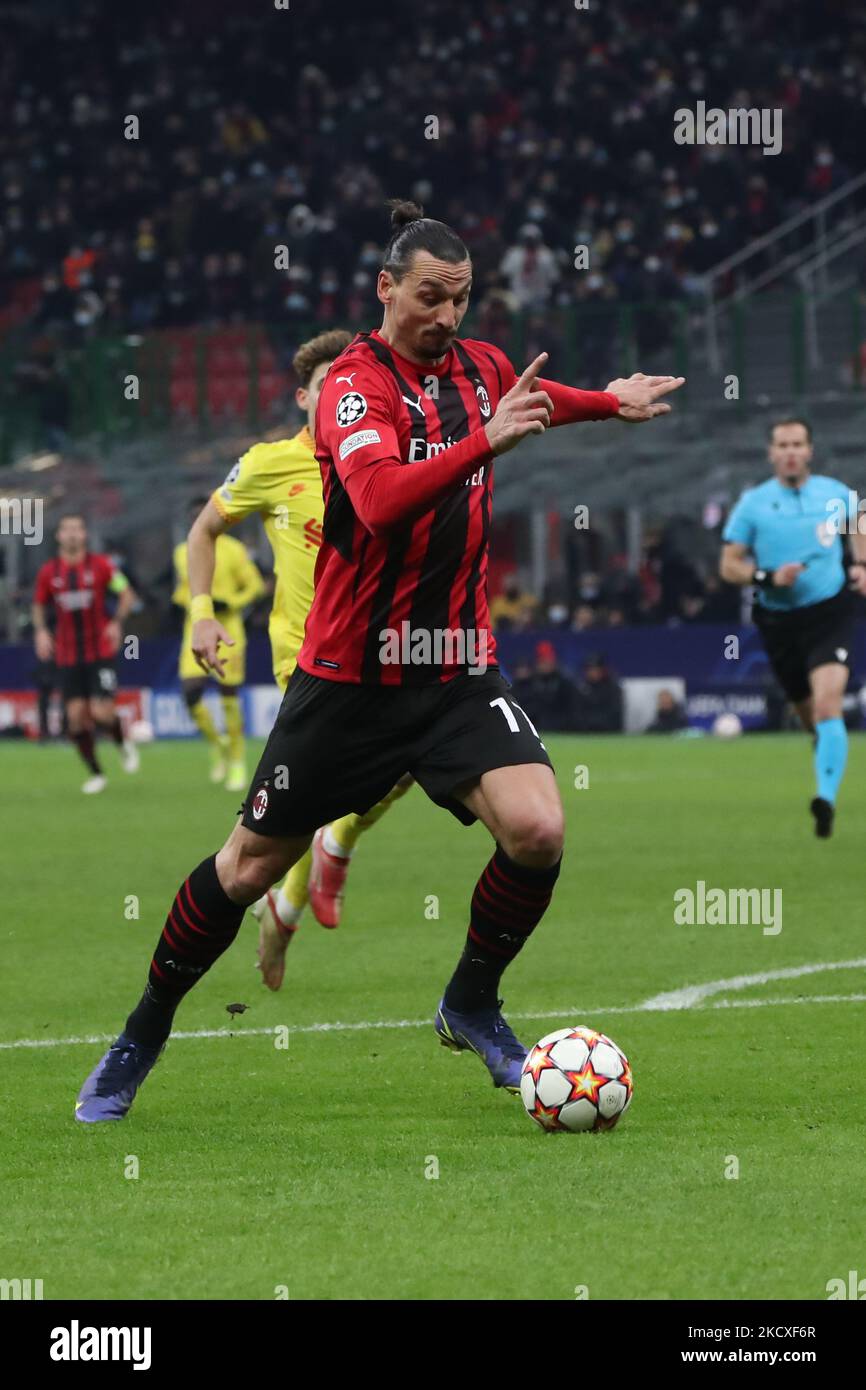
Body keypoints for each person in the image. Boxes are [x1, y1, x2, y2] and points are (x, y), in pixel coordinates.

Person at [75, 197, 683, 1123]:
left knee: (539, 831)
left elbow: (527, 400)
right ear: (386, 288)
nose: (447, 316)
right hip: (349, 682)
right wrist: (485, 442)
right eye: (431, 297)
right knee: (242, 870)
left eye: (462, 298)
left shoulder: (477, 366)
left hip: (453, 670)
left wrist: (608, 402)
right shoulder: (355, 385)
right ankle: (142, 1031)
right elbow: (382, 495)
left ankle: (471, 1001)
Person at [181, 329, 412, 971]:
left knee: (406, 768)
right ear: (305, 397)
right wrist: (202, 614)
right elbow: (203, 531)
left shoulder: (386, 461)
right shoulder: (269, 464)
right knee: (325, 785)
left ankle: (328, 852)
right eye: (327, 386)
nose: (342, 395)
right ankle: (291, 898)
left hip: (387, 647)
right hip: (306, 660)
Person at [720, 418, 866, 837]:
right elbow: (729, 566)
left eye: (797, 443)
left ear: (809, 450)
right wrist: (767, 578)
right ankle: (827, 756)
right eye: (782, 444)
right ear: (771, 453)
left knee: (826, 707)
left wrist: (860, 564)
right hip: (779, 621)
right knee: (811, 720)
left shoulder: (835, 493)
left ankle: (825, 799)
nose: (790, 451)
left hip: (829, 613)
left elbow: (858, 521)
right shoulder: (753, 504)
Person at [32, 513, 139, 793]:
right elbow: (38, 605)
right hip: (67, 656)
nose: (72, 534)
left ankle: (122, 743)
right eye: (66, 529)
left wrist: (116, 623)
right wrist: (41, 631)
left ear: (84, 535)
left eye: (77, 529)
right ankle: (96, 773)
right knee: (76, 718)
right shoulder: (49, 572)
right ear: (58, 536)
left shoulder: (101, 566)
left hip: (100, 651)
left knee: (102, 712)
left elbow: (126, 593)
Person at [172, 498, 264, 791]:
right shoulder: (182, 552)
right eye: (195, 515)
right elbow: (184, 591)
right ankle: (218, 744)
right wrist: (188, 603)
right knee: (190, 692)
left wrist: (232, 601)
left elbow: (256, 585)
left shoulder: (234, 551)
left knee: (228, 692)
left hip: (229, 627)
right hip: (197, 627)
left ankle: (237, 761)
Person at [573, 653, 623, 733]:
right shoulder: (581, 688)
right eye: (590, 669)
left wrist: (598, 723)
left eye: (596, 669)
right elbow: (577, 714)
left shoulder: (612, 688)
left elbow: (615, 714)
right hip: (584, 733)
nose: (593, 672)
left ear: (602, 670)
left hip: (608, 733)